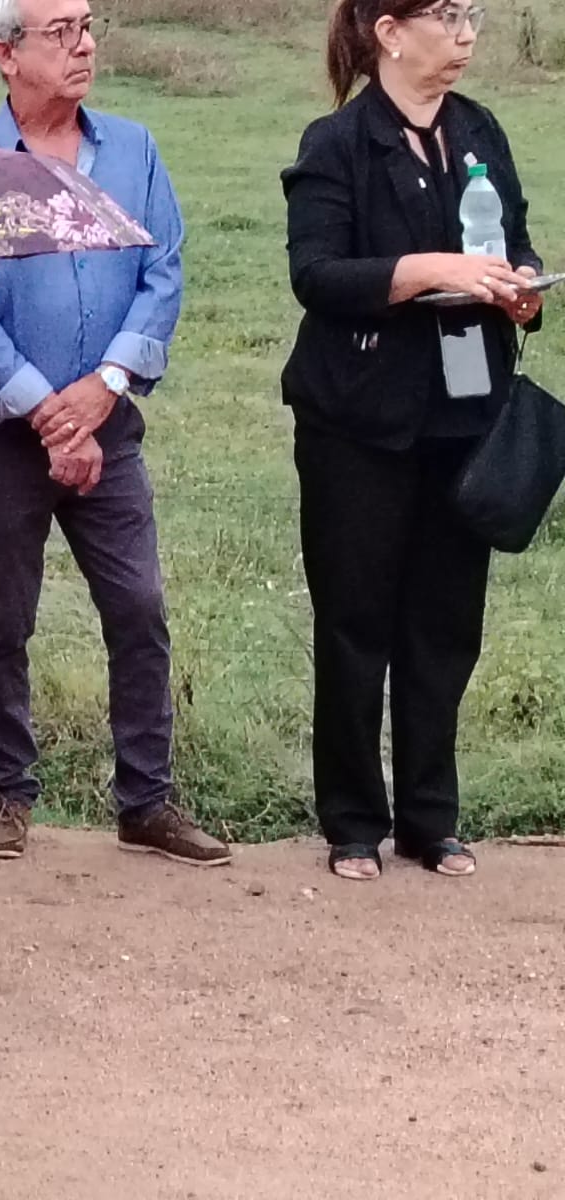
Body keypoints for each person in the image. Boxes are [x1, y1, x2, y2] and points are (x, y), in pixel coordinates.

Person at [0, 0, 229, 867]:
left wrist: (102, 391)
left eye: (89, 24)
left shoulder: (133, 149)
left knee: (138, 607)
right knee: (2, 616)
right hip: (0, 435)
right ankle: (6, 794)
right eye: (60, 31)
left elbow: (162, 272)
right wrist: (48, 414)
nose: (85, 43)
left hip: (111, 420)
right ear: (5, 55)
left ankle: (147, 800)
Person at [282, 0, 543, 881]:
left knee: (445, 623)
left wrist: (521, 289)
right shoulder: (338, 142)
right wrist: (438, 270)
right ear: (389, 31)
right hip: (357, 421)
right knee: (357, 621)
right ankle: (354, 822)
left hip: (465, 413)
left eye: (473, 14)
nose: (467, 33)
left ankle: (433, 819)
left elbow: (515, 243)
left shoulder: (480, 131)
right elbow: (316, 275)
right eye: (446, 14)